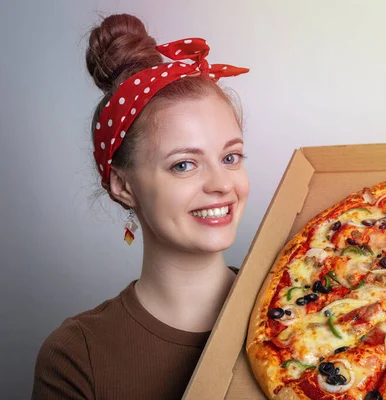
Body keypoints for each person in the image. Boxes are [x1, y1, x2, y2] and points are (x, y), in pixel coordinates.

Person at [31, 13, 250, 399]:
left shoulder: (299, 302)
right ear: (123, 185)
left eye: (230, 158)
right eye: (184, 164)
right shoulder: (75, 356)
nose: (221, 184)